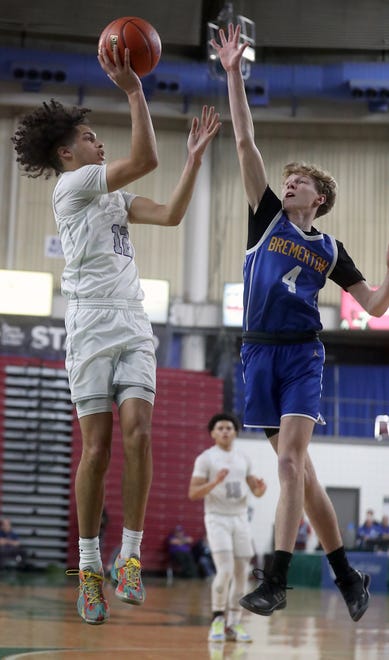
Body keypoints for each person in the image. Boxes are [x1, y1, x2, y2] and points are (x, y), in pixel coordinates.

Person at [12, 45, 221, 625]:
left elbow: (172, 214)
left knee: (140, 434)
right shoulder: (72, 188)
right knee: (97, 450)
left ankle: (128, 556)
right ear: (65, 152)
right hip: (87, 326)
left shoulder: (112, 197)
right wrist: (133, 88)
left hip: (131, 322)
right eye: (88, 136)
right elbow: (146, 158)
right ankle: (87, 569)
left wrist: (196, 162)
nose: (98, 143)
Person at [210, 23, 389, 622]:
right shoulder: (267, 219)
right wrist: (234, 72)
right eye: (287, 179)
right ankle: (347, 575)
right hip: (257, 353)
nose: (289, 183)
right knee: (304, 476)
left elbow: (376, 304)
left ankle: (277, 579)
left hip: (303, 355)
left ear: (320, 198)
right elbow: (243, 141)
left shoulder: (331, 249)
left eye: (301, 182)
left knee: (289, 462)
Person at [188, 412, 266, 643]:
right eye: (220, 428)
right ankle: (217, 620)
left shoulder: (244, 458)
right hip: (217, 518)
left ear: (236, 432)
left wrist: (261, 488)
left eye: (229, 428)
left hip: (240, 518)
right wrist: (215, 482)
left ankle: (234, 623)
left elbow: (256, 491)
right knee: (225, 569)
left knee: (243, 572)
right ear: (213, 433)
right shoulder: (206, 459)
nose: (225, 431)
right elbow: (193, 493)